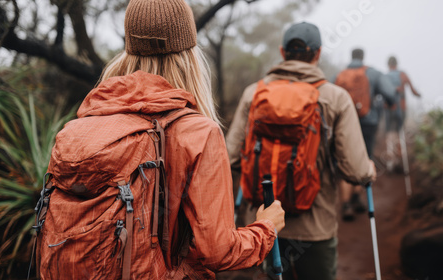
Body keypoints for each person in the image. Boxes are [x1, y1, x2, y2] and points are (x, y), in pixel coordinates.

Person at [36, 0, 285, 279]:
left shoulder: (82, 123)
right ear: (189, 53)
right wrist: (266, 228)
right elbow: (219, 251)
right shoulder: (197, 132)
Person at [226, 22, 376, 280]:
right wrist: (369, 170)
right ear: (317, 54)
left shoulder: (254, 93)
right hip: (314, 230)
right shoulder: (335, 97)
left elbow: (231, 156)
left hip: (264, 225)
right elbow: (356, 170)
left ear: (283, 52)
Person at [334, 48, 396, 221]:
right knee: (364, 157)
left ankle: (346, 203)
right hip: (367, 122)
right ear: (363, 57)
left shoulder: (340, 74)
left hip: (343, 123)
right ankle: (357, 196)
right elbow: (390, 93)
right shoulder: (373, 73)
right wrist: (390, 103)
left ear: (351, 56)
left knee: (344, 159)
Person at [385, 56, 421, 172]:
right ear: (397, 64)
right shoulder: (403, 75)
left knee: (390, 133)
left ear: (388, 65)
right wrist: (418, 95)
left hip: (389, 109)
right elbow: (413, 90)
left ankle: (391, 161)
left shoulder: (385, 77)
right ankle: (400, 159)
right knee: (400, 132)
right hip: (401, 108)